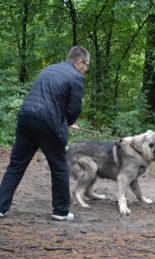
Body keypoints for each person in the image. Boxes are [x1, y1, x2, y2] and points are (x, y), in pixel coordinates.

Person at [0, 46, 90, 221]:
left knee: (16, 165)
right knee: (60, 165)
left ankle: (1, 207)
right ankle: (61, 211)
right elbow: (74, 107)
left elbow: (46, 97)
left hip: (26, 116)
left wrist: (63, 119)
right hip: (47, 121)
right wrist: (70, 121)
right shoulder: (76, 77)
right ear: (79, 62)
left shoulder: (49, 69)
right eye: (86, 65)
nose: (86, 69)